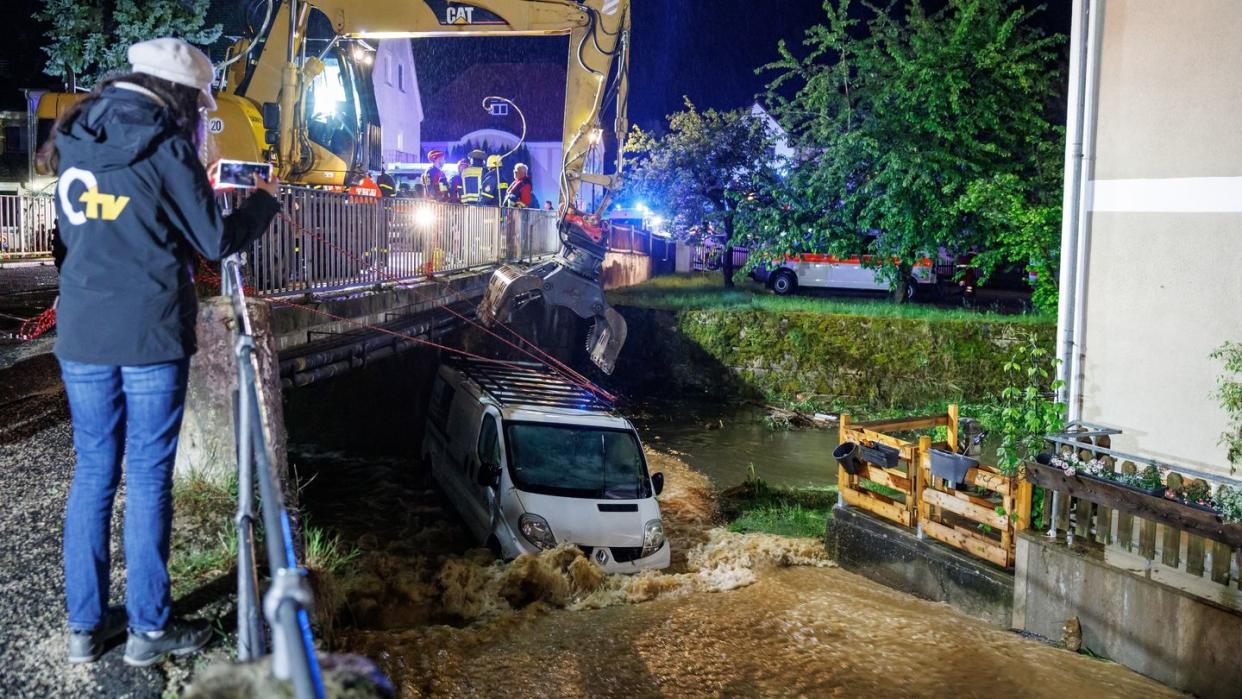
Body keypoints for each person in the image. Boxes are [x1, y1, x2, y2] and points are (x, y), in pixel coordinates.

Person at [37, 37, 281, 667]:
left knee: (92, 473)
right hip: (149, 334)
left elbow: (68, 238)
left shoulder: (75, 134)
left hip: (84, 332)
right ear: (181, 97)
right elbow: (214, 239)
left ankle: (84, 628)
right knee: (147, 476)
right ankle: (148, 627)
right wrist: (264, 202)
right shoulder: (168, 145)